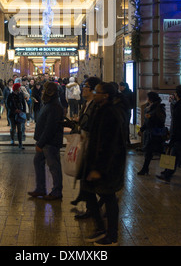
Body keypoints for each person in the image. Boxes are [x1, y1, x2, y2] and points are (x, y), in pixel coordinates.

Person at [81, 82, 127, 246]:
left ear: (106, 95)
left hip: (107, 166)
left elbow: (109, 144)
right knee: (89, 193)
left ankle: (112, 236)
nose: (94, 93)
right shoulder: (101, 110)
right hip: (97, 163)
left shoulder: (111, 114)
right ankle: (101, 228)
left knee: (109, 198)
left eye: (97, 91)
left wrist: (99, 169)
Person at [70, 76, 102, 219]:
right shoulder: (87, 103)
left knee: (91, 180)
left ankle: (97, 210)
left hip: (92, 146)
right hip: (85, 144)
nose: (83, 88)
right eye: (83, 85)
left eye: (86, 86)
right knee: (86, 178)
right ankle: (90, 204)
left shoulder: (96, 106)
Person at [28, 81, 64, 200]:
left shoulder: (54, 106)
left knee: (54, 166)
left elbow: (50, 128)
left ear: (51, 92)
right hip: (45, 142)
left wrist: (40, 143)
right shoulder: (49, 103)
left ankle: (56, 191)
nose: (43, 92)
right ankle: (40, 188)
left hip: (50, 143)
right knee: (38, 162)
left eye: (45, 90)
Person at [137, 92, 167, 175]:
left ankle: (168, 170)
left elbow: (161, 120)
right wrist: (142, 129)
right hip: (151, 133)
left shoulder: (159, 107)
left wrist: (151, 118)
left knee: (162, 152)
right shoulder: (149, 107)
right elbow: (146, 121)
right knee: (149, 151)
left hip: (157, 133)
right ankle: (145, 169)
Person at [6, 82, 26, 149]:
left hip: (19, 113)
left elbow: (23, 103)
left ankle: (20, 143)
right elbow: (8, 104)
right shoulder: (10, 95)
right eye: (19, 88)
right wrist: (14, 110)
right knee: (13, 128)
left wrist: (23, 111)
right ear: (16, 89)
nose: (20, 89)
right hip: (12, 114)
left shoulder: (21, 94)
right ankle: (12, 139)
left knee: (19, 129)